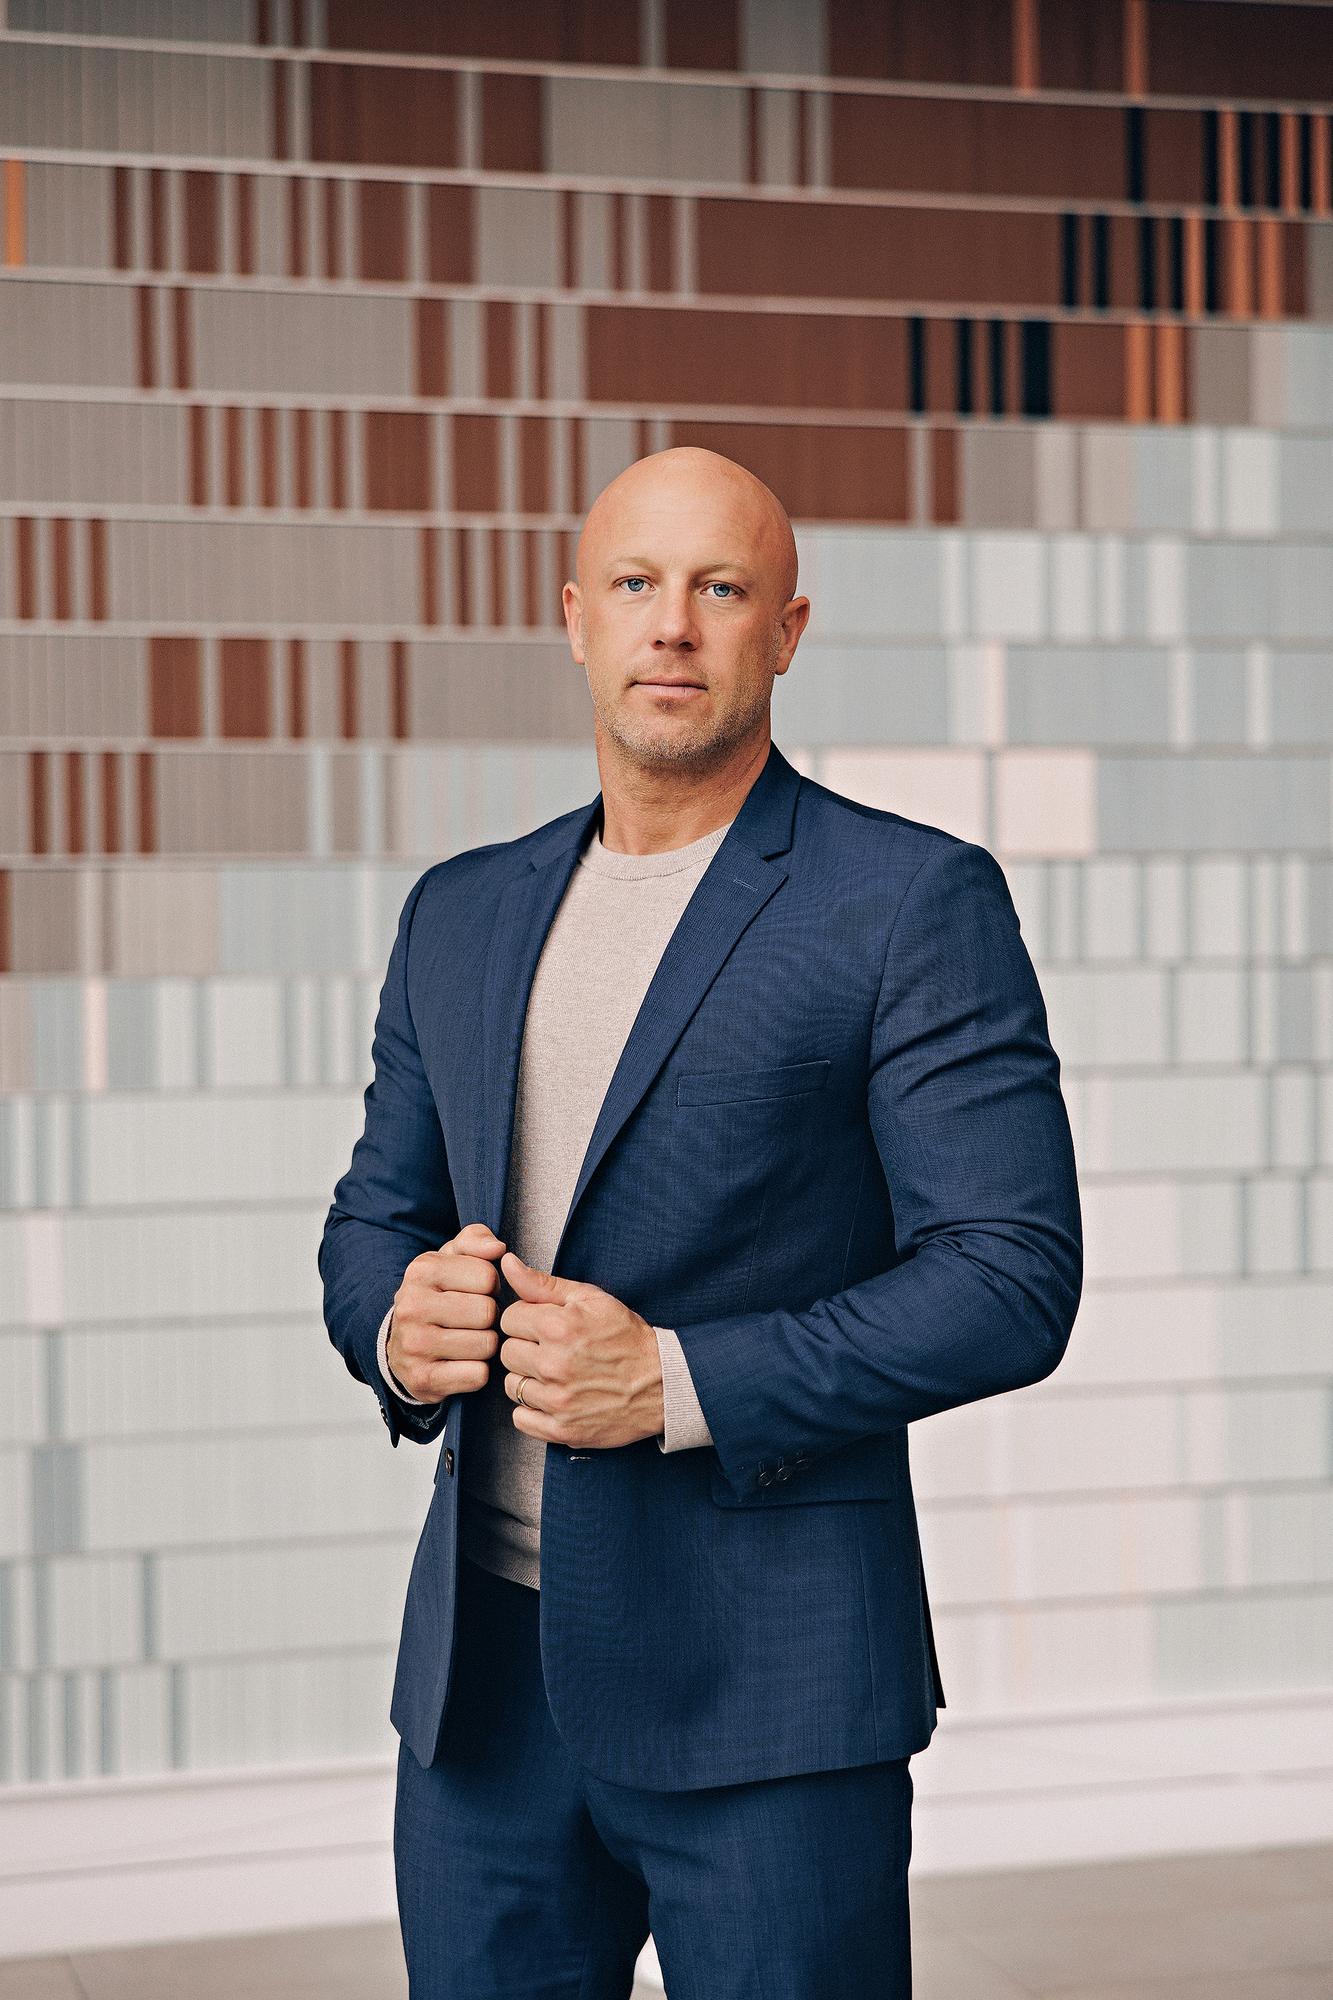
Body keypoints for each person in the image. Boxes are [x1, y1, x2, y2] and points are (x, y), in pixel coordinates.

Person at [319, 446, 1083, 1998]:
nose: (673, 624)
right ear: (574, 621)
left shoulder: (905, 901)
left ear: (785, 631)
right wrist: (400, 1328)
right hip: (484, 1700)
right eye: (637, 585)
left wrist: (671, 1383)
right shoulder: (458, 910)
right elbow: (370, 1218)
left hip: (773, 1693)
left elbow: (1010, 1278)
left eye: (720, 588)